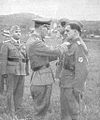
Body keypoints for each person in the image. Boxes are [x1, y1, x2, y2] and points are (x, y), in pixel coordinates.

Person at [26, 19, 69, 120]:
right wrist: (64, 45)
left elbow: (45, 56)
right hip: (41, 79)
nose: (48, 31)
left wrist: (57, 55)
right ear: (42, 28)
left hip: (42, 77)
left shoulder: (35, 40)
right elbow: (53, 51)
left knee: (42, 108)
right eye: (47, 29)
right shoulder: (35, 42)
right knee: (40, 110)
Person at [57, 22, 88, 120]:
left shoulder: (79, 46)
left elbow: (82, 70)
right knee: (65, 112)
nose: (65, 33)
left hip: (72, 84)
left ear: (75, 32)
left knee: (73, 112)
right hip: (65, 82)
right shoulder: (70, 44)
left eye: (68, 30)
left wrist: (78, 88)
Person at [1, 25, 29, 118]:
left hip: (21, 71)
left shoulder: (23, 45)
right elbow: (3, 60)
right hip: (11, 71)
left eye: (20, 32)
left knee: (19, 92)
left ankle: (18, 112)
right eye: (16, 32)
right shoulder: (6, 44)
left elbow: (26, 59)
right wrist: (3, 72)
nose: (19, 33)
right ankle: (11, 113)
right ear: (11, 33)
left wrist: (26, 70)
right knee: (10, 92)